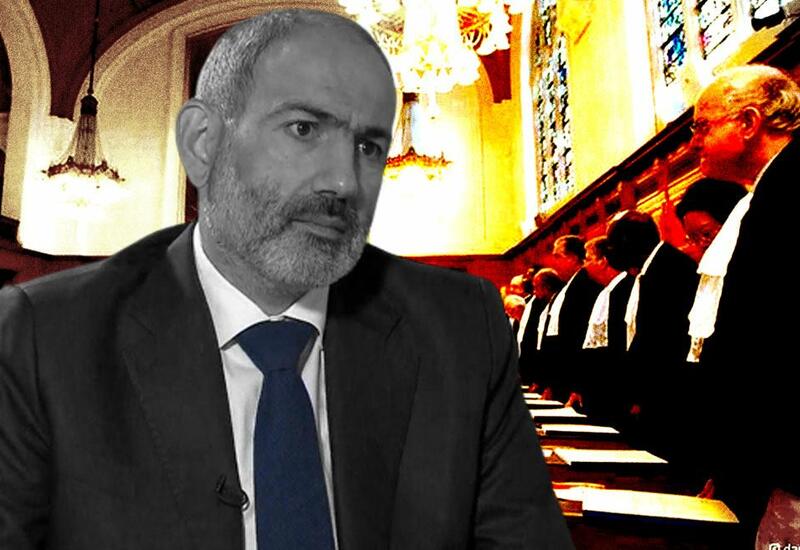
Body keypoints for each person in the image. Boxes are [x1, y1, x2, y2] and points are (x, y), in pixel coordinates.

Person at [0, 9, 572, 550]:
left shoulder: (460, 328)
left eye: (368, 146)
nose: (344, 182)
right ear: (203, 142)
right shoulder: (46, 337)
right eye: (303, 129)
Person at [689, 63, 800, 543]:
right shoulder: (769, 189)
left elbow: (774, 334)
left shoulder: (790, 187)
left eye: (702, 127)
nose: (693, 143)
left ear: (750, 122)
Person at [537, 235, 603, 403]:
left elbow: (581, 337)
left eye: (558, 256)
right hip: (562, 379)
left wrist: (578, 386)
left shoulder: (586, 284)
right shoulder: (566, 287)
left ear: (573, 258)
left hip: (575, 381)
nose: (554, 262)